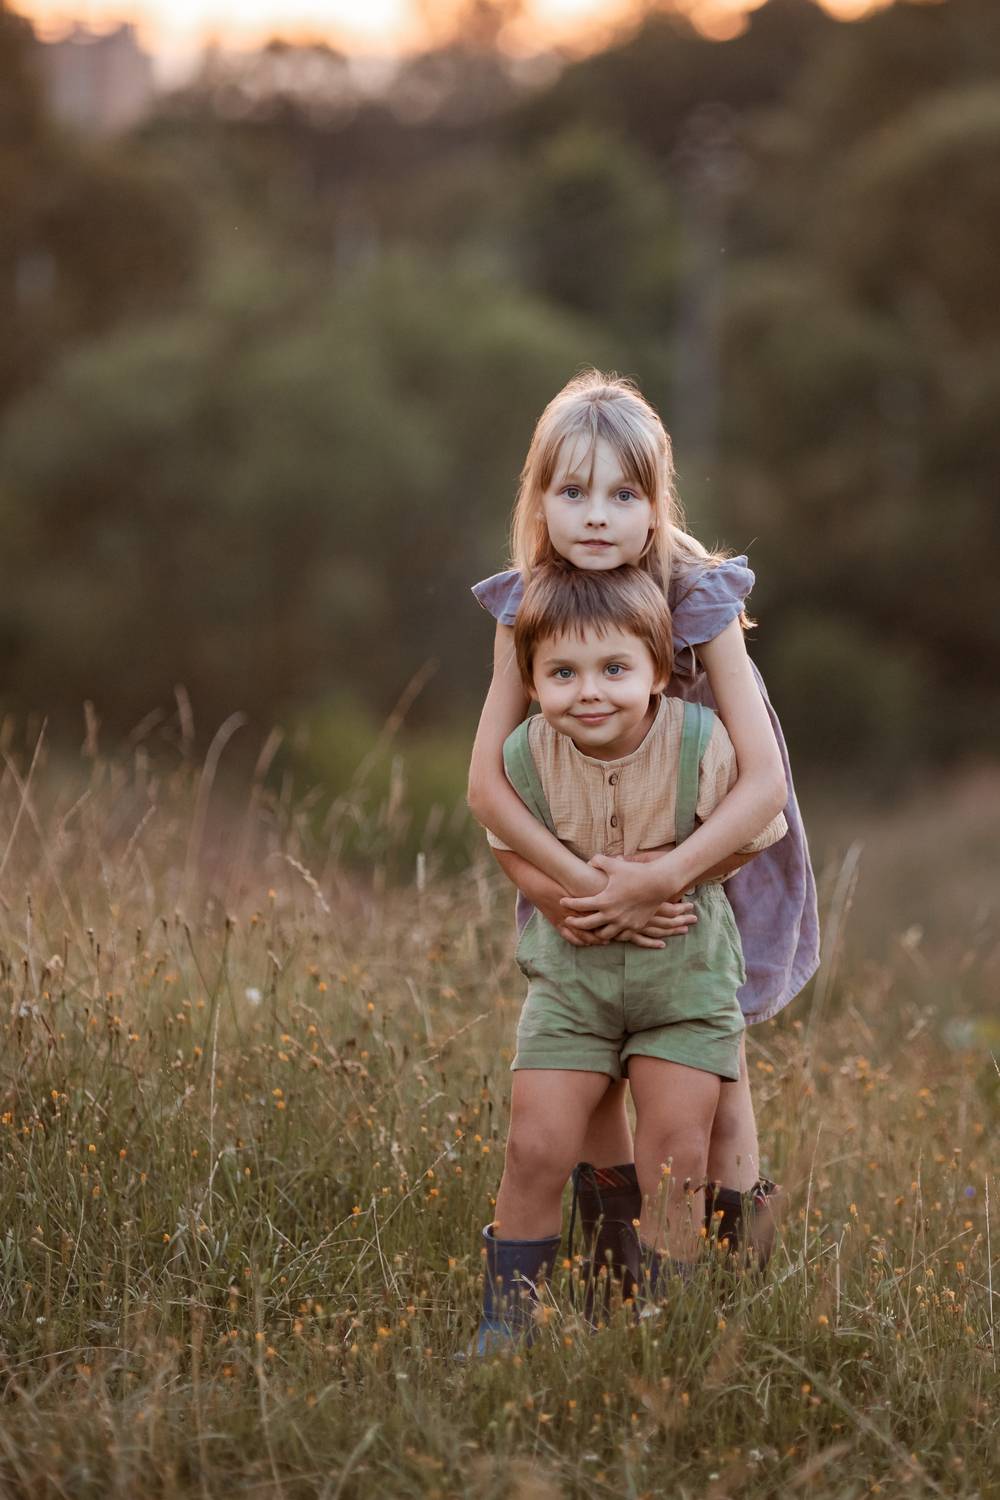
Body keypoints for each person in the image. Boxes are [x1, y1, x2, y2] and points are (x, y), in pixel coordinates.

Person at [467, 369, 819, 1301]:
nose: (596, 514)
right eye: (572, 490)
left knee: (715, 1074)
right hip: (577, 846)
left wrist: (660, 880)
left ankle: (735, 1272)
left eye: (624, 493)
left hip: (712, 841)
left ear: (658, 503)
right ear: (539, 500)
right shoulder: (530, 604)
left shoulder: (695, 594)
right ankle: (615, 1259)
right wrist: (567, 890)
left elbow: (762, 782)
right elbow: (488, 783)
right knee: (592, 1062)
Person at [474, 563, 787, 1351]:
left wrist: (657, 881)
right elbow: (507, 841)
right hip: (571, 980)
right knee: (535, 1143)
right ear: (533, 679)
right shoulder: (525, 754)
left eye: (615, 668)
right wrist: (558, 893)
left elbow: (753, 835)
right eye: (562, 673)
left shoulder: (700, 741)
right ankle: (510, 1321)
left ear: (657, 671)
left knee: (675, 1149)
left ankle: (659, 1316)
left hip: (680, 976)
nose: (589, 691)